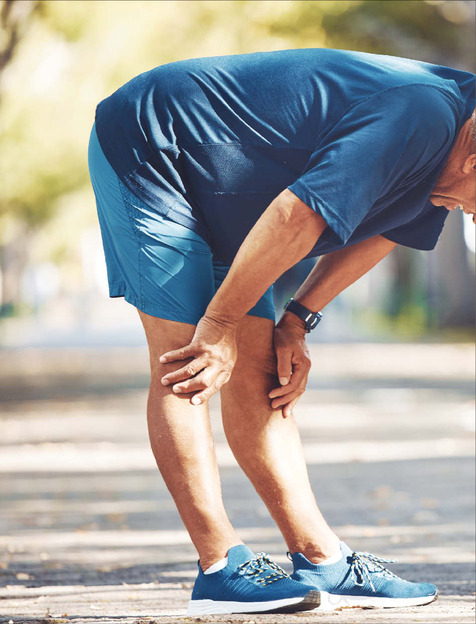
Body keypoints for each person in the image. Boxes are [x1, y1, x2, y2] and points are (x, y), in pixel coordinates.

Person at [88, 48, 475, 615]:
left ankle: (323, 560)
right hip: (154, 140)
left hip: (233, 186)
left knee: (262, 365)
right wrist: (218, 325)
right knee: (189, 360)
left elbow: (387, 229)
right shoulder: (421, 116)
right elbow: (298, 216)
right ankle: (219, 567)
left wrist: (297, 321)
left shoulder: (455, 135)